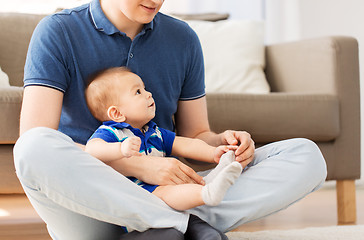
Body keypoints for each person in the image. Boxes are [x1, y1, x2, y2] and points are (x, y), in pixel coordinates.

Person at [13, 0, 327, 239]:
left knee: (305, 155)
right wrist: (134, 165)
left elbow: (197, 134)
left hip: (167, 190)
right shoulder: (58, 31)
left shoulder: (182, 39)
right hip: (88, 204)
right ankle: (187, 224)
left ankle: (163, 225)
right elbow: (36, 137)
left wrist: (222, 144)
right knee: (31, 147)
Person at [85, 67, 243, 213]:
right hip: (138, 197)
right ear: (116, 113)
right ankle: (206, 193)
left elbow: (186, 144)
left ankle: (208, 185)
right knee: (167, 192)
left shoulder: (154, 131)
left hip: (164, 189)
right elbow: (91, 150)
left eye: (145, 88)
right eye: (138, 92)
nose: (149, 94)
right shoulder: (113, 133)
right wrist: (120, 149)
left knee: (180, 186)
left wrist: (214, 152)